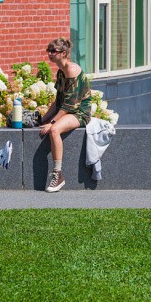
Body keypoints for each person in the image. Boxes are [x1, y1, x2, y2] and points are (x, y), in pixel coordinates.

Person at [39, 37, 93, 192]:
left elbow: (70, 105)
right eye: (48, 50)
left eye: (53, 51)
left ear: (63, 53)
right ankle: (57, 175)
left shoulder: (72, 70)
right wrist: (44, 118)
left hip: (79, 112)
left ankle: (58, 175)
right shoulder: (61, 72)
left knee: (55, 130)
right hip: (68, 110)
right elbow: (58, 101)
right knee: (51, 126)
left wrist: (52, 123)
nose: (49, 54)